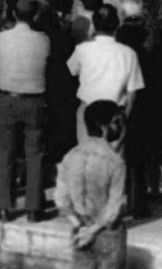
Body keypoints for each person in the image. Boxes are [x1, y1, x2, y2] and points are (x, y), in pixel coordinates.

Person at [0, 0, 50, 223]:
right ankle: (34, 208)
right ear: (35, 15)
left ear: (14, 14)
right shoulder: (43, 39)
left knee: (6, 153)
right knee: (35, 154)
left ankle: (4, 206)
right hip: (35, 100)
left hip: (7, 98)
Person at [55, 100, 129, 269]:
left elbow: (61, 199)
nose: (119, 127)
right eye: (115, 122)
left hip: (79, 229)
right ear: (104, 128)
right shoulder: (115, 162)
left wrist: (81, 228)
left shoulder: (70, 156)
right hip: (107, 233)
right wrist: (93, 231)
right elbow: (114, 207)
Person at [67, 6, 144, 141]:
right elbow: (132, 94)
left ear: (93, 24)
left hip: (88, 111)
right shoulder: (129, 54)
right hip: (115, 113)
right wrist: (124, 118)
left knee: (87, 151)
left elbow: (72, 71)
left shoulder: (82, 49)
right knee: (112, 153)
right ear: (117, 25)